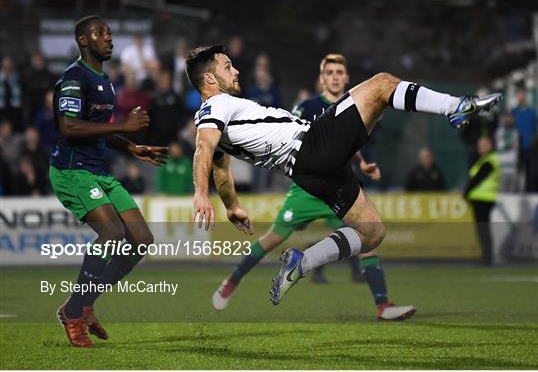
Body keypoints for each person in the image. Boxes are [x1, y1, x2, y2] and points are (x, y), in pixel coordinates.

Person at [186, 44, 502, 306]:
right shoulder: (217, 106)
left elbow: (220, 171)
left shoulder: (219, 118)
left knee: (373, 233)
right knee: (381, 85)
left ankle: (302, 263)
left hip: (310, 171)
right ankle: (453, 106)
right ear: (210, 78)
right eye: (228, 67)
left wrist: (231, 207)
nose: (236, 70)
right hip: (311, 147)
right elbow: (203, 149)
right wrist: (200, 194)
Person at [212, 54, 416, 320]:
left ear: (346, 78)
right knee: (273, 238)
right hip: (306, 189)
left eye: (339, 72)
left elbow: (345, 145)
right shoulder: (306, 106)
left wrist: (363, 163)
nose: (334, 77)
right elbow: (289, 140)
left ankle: (382, 306)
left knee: (370, 238)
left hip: (337, 182)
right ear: (322, 79)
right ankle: (232, 281)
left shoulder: (353, 105)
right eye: (329, 72)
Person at [50, 15, 168, 347]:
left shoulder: (105, 81)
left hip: (97, 170)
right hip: (71, 171)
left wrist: (133, 147)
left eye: (110, 32)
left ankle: (83, 305)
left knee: (141, 239)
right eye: (101, 33)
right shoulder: (74, 78)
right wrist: (123, 128)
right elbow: (68, 128)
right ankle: (73, 312)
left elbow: (99, 131)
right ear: (83, 41)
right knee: (113, 233)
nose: (109, 37)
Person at [464, 137, 500, 265]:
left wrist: (466, 192)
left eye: (482, 145)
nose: (480, 148)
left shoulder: (490, 160)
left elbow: (477, 178)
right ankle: (486, 256)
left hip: (484, 199)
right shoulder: (484, 159)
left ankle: (487, 258)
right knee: (482, 229)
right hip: (480, 199)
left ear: (490, 145)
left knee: (483, 229)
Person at [511, 89, 538, 191]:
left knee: (530, 171)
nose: (521, 98)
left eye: (522, 96)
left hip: (529, 147)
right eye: (519, 96)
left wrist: (534, 140)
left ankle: (529, 191)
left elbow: (536, 128)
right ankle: (516, 190)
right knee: (515, 171)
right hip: (516, 148)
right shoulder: (513, 112)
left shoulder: (532, 113)